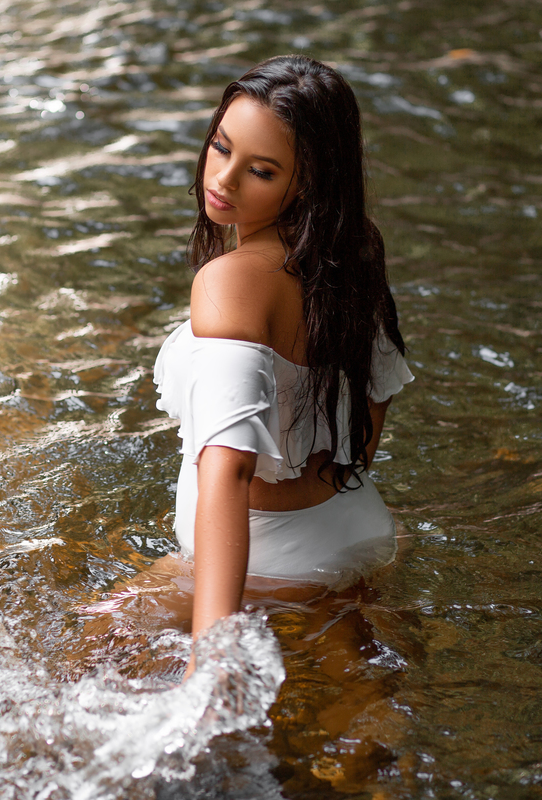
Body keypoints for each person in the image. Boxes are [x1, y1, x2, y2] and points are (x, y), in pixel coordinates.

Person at [151, 55, 414, 673]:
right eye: (220, 147)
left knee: (84, 654)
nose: (224, 179)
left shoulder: (230, 284)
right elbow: (372, 410)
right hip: (362, 529)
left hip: (271, 565)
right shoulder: (352, 251)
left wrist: (209, 660)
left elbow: (228, 468)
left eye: (261, 171)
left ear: (306, 183)